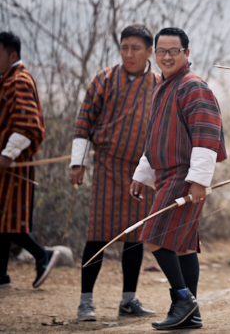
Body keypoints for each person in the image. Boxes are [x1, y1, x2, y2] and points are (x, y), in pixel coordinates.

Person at [130, 27, 226, 331]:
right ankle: (191, 313)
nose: (167, 57)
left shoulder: (193, 86)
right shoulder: (164, 85)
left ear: (187, 53)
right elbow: (158, 135)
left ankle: (183, 299)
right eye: (162, 51)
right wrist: (142, 174)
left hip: (183, 176)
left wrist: (198, 181)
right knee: (183, 246)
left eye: (174, 51)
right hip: (166, 174)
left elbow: (206, 135)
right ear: (154, 54)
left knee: (154, 236)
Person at [70, 24, 158, 321]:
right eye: (124, 47)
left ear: (149, 52)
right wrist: (77, 162)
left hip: (142, 170)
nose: (129, 53)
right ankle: (85, 302)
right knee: (98, 235)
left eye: (136, 48)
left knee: (134, 236)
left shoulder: (159, 85)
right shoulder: (105, 79)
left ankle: (128, 300)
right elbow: (84, 122)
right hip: (107, 165)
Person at [0, 31, 60, 289]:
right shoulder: (7, 80)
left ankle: (42, 254)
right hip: (7, 166)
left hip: (14, 167)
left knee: (8, 221)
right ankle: (1, 276)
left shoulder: (19, 80)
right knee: (2, 221)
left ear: (12, 55)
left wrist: (6, 155)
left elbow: (28, 126)